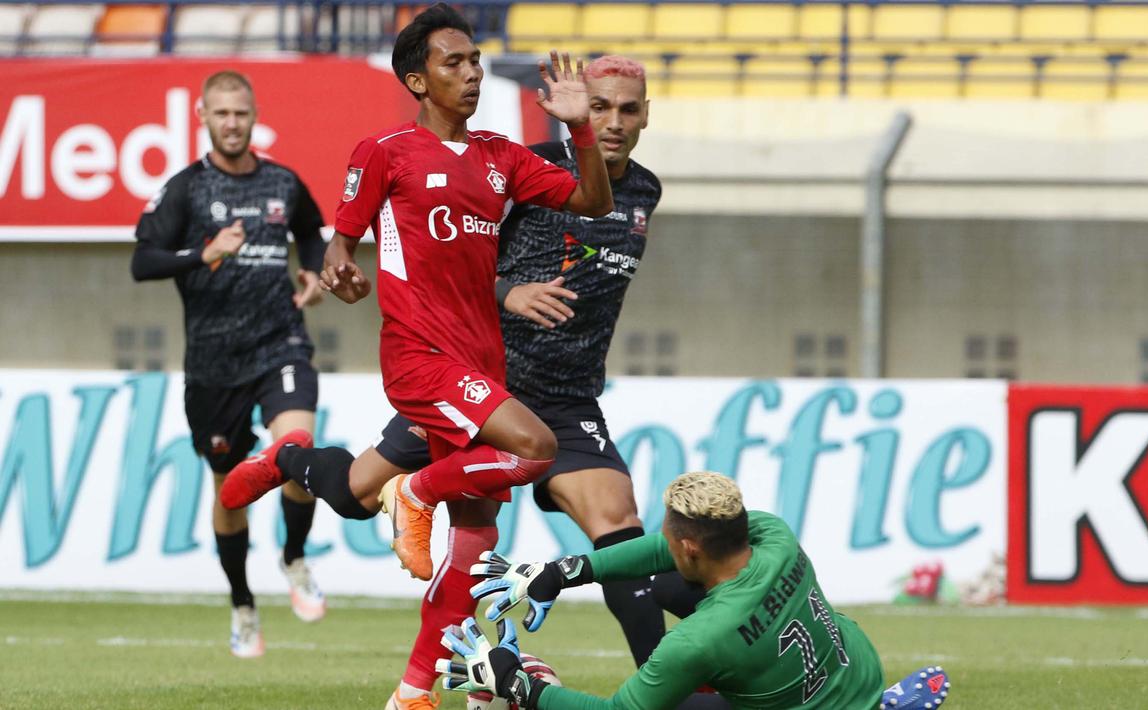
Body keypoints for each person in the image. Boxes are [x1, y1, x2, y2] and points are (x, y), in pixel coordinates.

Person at [226, 53, 674, 673]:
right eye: (599, 107)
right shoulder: (529, 166)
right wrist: (507, 291)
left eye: (627, 109)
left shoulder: (645, 190)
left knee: (620, 533)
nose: (614, 122)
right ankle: (288, 460)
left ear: (646, 114)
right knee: (356, 495)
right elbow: (448, 258)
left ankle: (663, 686)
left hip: (568, 398)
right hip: (481, 382)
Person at [443, 472, 951, 710]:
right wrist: (565, 571)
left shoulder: (697, 641)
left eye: (669, 538)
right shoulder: (774, 535)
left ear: (688, 547)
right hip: (856, 673)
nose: (661, 544)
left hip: (794, 694)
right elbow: (662, 552)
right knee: (668, 587)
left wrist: (520, 686)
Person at [130, 70, 328, 658]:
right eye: (221, 113)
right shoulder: (186, 189)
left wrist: (312, 270)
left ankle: (294, 558)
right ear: (203, 117)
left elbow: (311, 232)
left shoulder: (282, 181)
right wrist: (204, 252)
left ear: (254, 115)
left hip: (280, 343)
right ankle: (243, 604)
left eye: (241, 113)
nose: (232, 123)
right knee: (230, 491)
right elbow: (143, 261)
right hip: (214, 367)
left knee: (298, 450)